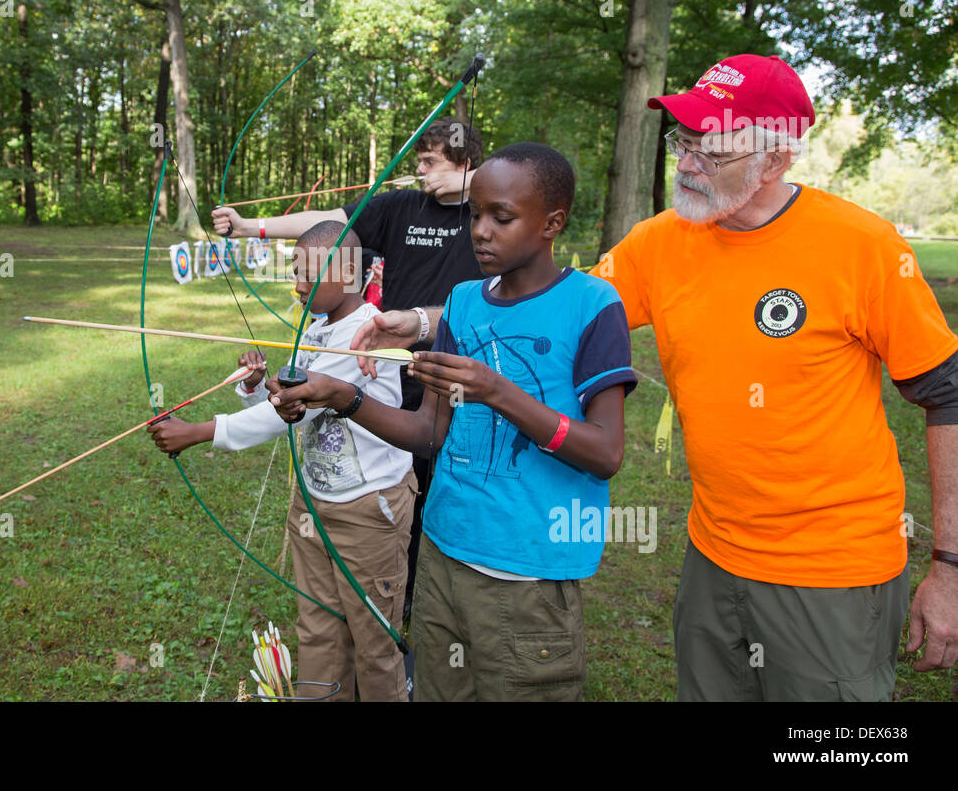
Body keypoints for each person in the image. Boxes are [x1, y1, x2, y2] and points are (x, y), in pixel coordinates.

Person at [350, 54, 958, 700]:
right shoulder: (660, 242)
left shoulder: (861, 245)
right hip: (713, 554)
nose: (688, 162)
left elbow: (945, 392)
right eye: (683, 139)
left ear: (777, 160)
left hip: (832, 571)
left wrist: (949, 568)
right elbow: (547, 307)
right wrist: (417, 322)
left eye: (710, 148)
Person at [268, 145, 637, 700]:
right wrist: (343, 396)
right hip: (441, 552)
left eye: (502, 217)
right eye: (475, 215)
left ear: (552, 223)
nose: (480, 232)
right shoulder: (463, 302)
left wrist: (497, 391)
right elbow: (429, 435)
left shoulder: (592, 304)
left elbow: (605, 453)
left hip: (528, 570)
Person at [213, 119, 484, 618]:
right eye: (417, 162)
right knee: (403, 478)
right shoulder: (401, 207)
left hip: (465, 376)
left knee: (452, 487)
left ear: (466, 163)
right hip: (384, 365)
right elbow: (326, 224)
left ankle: (437, 596)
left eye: (431, 163)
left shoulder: (487, 215)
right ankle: (396, 600)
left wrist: (475, 187)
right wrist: (251, 226)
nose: (419, 173)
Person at [147, 221, 416, 701]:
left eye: (309, 275)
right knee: (317, 629)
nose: (298, 284)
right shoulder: (318, 328)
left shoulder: (364, 336)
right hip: (315, 505)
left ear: (347, 272)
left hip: (368, 513)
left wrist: (196, 432)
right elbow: (291, 411)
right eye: (296, 272)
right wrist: (256, 386)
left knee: (375, 644)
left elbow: (280, 421)